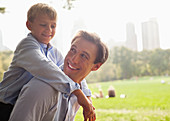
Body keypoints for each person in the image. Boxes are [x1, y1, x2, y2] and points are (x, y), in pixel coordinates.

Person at [0, 3, 93, 121]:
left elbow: (68, 70)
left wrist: (87, 97)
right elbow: (46, 68)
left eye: (53, 26)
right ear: (29, 25)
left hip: (27, 103)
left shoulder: (55, 53)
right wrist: (77, 92)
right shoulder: (27, 46)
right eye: (43, 25)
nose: (49, 30)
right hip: (5, 105)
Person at [9, 30, 109, 121]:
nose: (74, 59)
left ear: (96, 67)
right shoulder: (42, 89)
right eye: (73, 50)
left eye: (83, 56)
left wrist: (87, 97)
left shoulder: (78, 94)